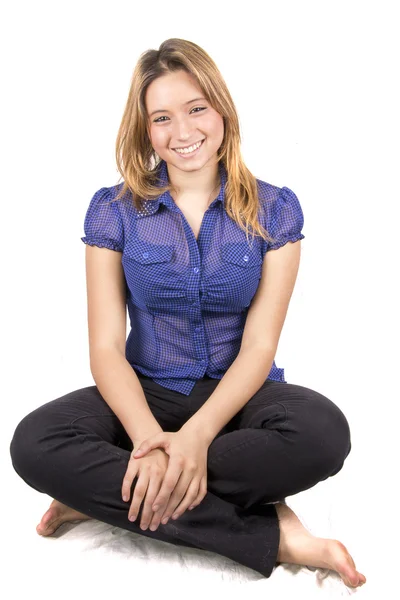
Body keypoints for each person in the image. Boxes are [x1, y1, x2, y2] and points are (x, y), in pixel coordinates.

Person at [9, 38, 366, 588]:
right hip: (145, 391)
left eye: (196, 108)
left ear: (221, 109)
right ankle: (274, 535)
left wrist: (196, 438)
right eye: (162, 118)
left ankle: (103, 497)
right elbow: (106, 347)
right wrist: (151, 441)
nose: (183, 132)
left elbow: (259, 347)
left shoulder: (275, 209)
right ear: (145, 129)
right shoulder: (114, 211)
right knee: (35, 443)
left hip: (240, 394)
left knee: (322, 433)